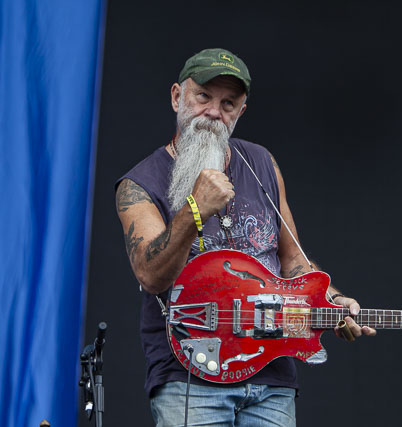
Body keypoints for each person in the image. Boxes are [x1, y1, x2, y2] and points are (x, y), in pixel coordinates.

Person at [115, 48, 376, 427]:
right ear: (177, 96)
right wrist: (194, 209)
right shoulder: (139, 183)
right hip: (190, 374)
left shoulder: (261, 164)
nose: (213, 112)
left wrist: (332, 300)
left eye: (228, 103)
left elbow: (293, 261)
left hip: (272, 375)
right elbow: (151, 276)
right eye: (203, 96)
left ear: (241, 112)